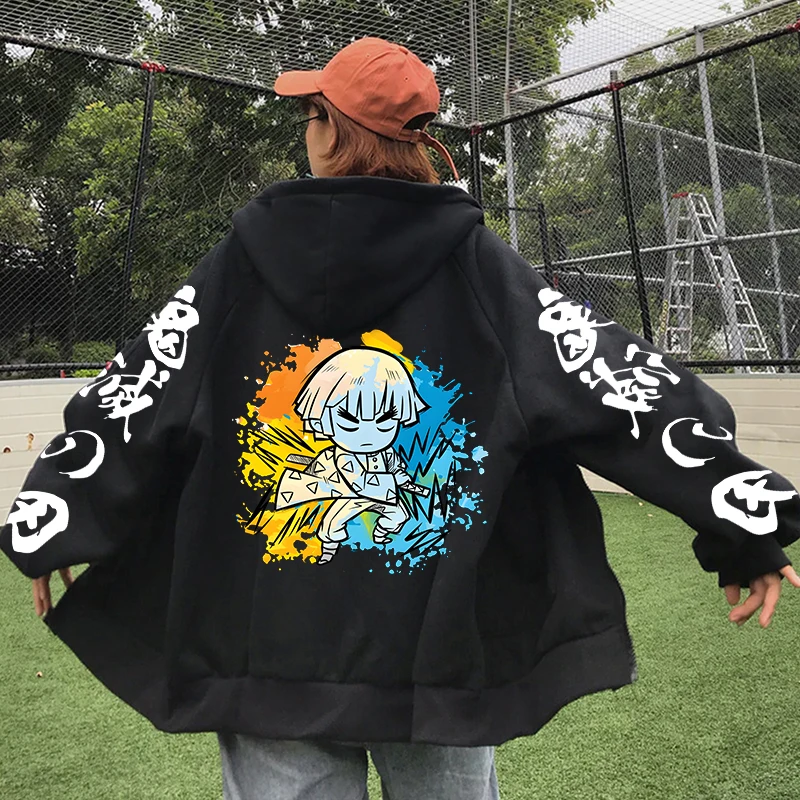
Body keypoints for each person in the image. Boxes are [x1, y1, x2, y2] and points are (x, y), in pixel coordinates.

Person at [3, 36, 799, 800]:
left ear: (329, 130)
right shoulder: (483, 269)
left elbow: (140, 386)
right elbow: (618, 383)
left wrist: (61, 512)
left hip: (270, 648)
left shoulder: (237, 268)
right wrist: (740, 522)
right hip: (440, 651)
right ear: (417, 144)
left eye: (310, 113)